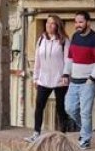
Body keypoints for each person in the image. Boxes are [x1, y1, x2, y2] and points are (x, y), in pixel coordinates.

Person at [61, 11, 95, 150]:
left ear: (88, 22)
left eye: (81, 22)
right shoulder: (75, 36)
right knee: (69, 108)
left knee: (85, 112)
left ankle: (85, 139)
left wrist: (93, 78)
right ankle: (86, 129)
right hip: (74, 80)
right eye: (76, 22)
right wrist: (65, 74)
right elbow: (70, 57)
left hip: (88, 82)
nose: (77, 25)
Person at [25, 15, 69, 143]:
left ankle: (62, 135)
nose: (49, 25)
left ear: (57, 26)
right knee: (39, 106)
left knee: (61, 108)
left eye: (53, 23)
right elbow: (38, 61)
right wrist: (35, 78)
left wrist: (66, 75)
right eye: (48, 23)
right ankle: (36, 132)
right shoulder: (41, 40)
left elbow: (68, 60)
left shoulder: (64, 41)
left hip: (59, 80)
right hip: (44, 79)